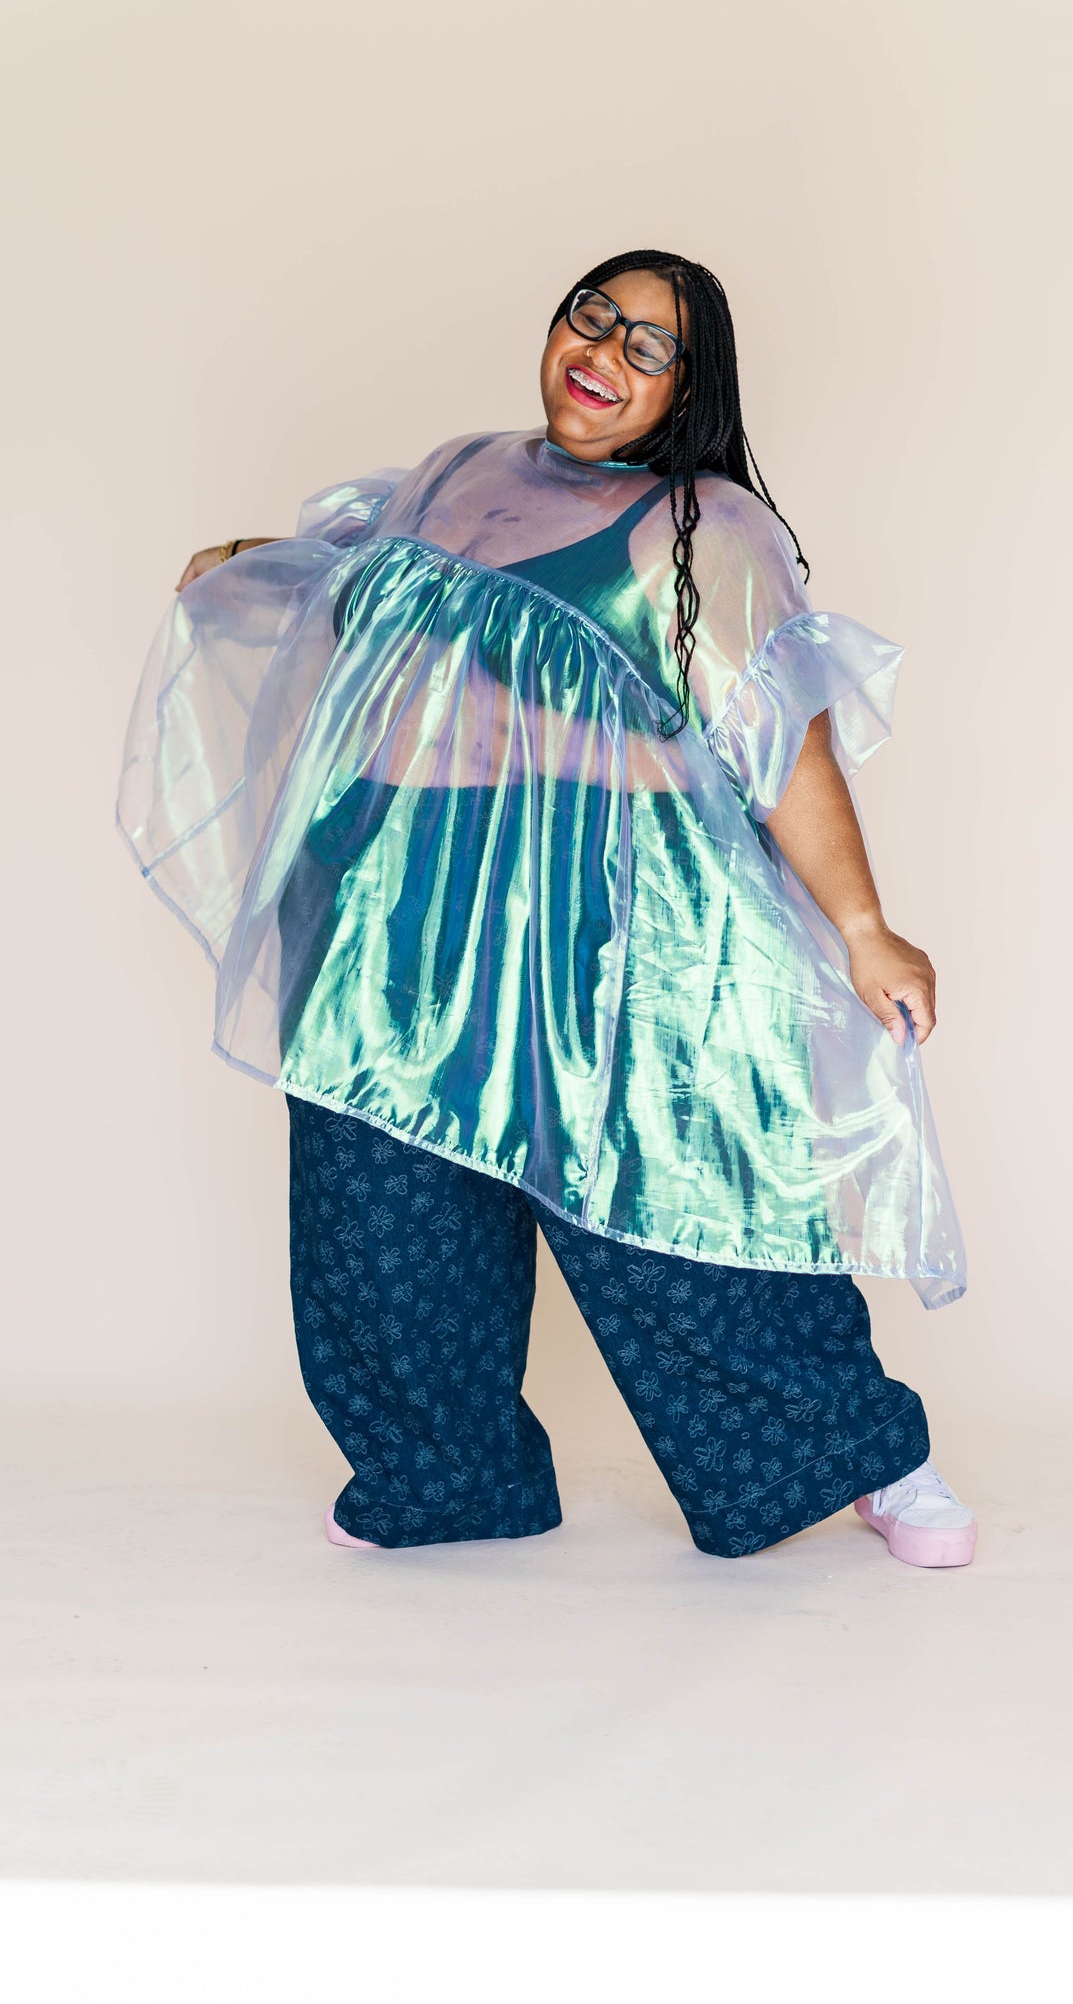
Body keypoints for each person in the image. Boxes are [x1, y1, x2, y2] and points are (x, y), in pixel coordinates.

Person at [118, 248, 975, 1568]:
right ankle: (445, 1473)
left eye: (647, 346)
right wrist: (252, 562)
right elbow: (365, 590)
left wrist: (863, 927)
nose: (603, 353)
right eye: (593, 317)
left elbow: (782, 736)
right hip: (379, 893)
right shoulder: (458, 469)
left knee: (672, 1204)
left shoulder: (704, 530)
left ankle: (862, 1455)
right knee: (379, 1214)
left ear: (689, 386)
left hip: (593, 917)